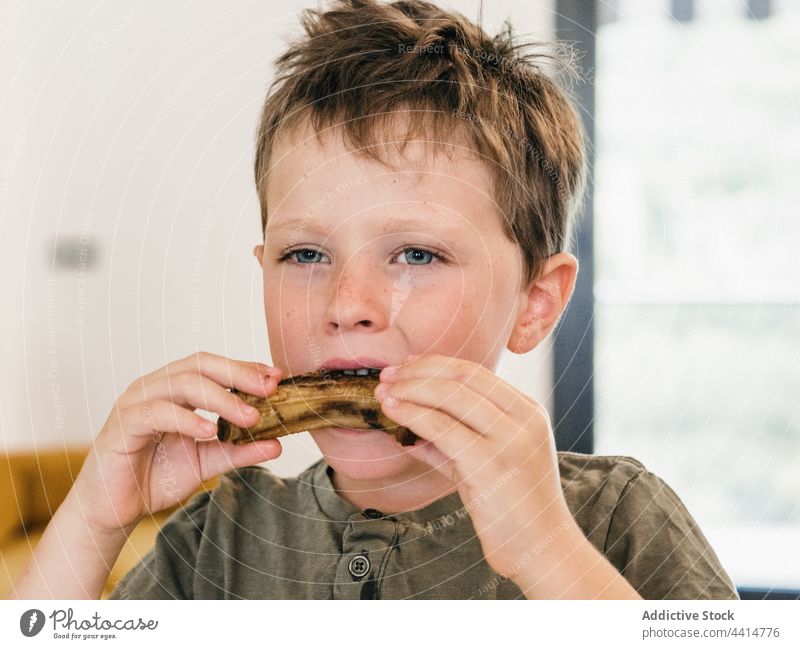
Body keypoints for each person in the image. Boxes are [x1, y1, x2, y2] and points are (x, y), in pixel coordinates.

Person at [7, 0, 738, 600]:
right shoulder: (220, 538)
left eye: (416, 253)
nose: (347, 303)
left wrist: (547, 552)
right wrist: (94, 517)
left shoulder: (617, 519)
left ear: (535, 302)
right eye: (306, 254)